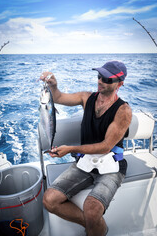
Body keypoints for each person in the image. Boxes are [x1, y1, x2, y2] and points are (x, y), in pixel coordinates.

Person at [41, 60, 132, 236]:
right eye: (99, 76)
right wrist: (54, 85)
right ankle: (97, 227)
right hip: (85, 162)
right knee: (49, 200)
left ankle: (94, 224)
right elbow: (58, 98)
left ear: (120, 84)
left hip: (112, 166)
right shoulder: (86, 98)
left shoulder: (123, 111)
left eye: (106, 79)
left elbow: (106, 146)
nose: (100, 81)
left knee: (92, 208)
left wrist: (71, 149)